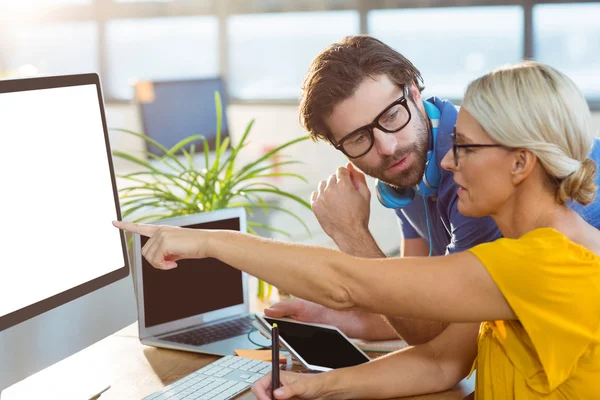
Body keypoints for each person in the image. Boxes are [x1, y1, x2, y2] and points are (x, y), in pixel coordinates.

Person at [114, 61, 600, 399]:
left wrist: (207, 242)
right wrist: (316, 387)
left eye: (466, 147)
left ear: (520, 163)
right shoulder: (522, 251)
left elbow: (347, 284)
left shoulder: (546, 263)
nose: (449, 162)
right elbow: (441, 362)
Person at [264, 35, 600, 346]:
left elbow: (437, 331)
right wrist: (335, 318)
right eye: (358, 138)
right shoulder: (407, 165)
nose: (386, 146)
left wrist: (351, 233)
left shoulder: (480, 176)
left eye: (392, 115)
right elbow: (415, 305)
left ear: (413, 90)